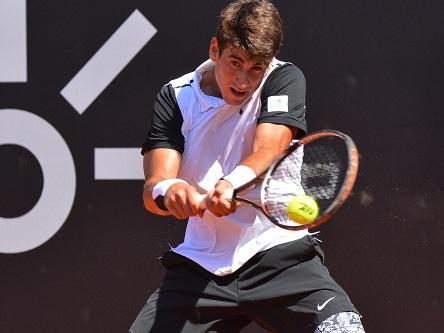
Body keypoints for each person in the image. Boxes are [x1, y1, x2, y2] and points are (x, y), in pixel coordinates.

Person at [130, 1, 365, 332]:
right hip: (201, 267)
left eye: (256, 67)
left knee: (344, 328)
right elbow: (155, 182)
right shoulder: (176, 97)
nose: (243, 80)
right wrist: (173, 191)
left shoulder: (283, 78)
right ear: (215, 49)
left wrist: (228, 184)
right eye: (235, 62)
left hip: (280, 255)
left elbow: (269, 147)